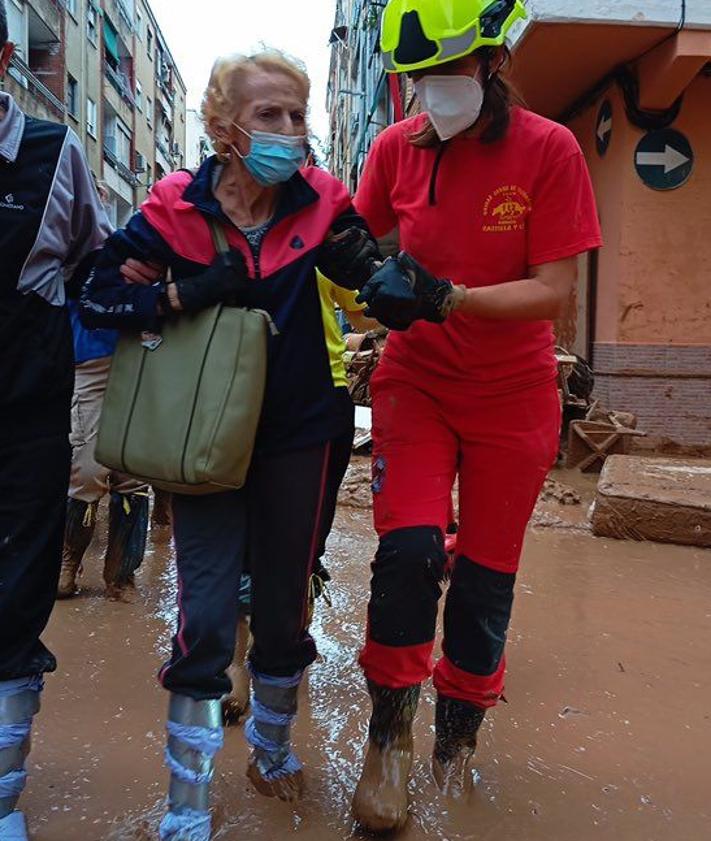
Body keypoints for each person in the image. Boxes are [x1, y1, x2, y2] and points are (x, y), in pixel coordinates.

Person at [81, 50, 380, 840]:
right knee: (206, 615)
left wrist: (399, 284)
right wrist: (182, 291)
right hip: (200, 438)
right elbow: (100, 295)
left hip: (302, 435)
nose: (289, 132)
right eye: (269, 116)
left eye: (296, 115)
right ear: (222, 128)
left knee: (282, 608)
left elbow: (374, 282)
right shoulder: (174, 208)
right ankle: (186, 805)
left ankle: (273, 752)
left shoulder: (322, 201)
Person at [349, 0, 603, 832]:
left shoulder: (549, 149)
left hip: (512, 395)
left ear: (492, 62)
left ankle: (454, 745)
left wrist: (449, 295)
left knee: (485, 581)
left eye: (449, 73)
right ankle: (386, 740)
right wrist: (365, 285)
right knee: (409, 551)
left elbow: (552, 289)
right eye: (421, 78)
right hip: (416, 382)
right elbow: (352, 240)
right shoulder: (395, 148)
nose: (434, 91)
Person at [0, 3, 113, 837]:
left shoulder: (54, 153)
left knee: (17, 588)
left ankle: (2, 789)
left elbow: (91, 262)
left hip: (26, 411)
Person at [59, 178, 150, 601]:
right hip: (88, 365)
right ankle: (68, 565)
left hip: (137, 363)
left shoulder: (129, 249)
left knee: (133, 474)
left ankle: (122, 576)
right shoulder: (63, 252)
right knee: (88, 470)